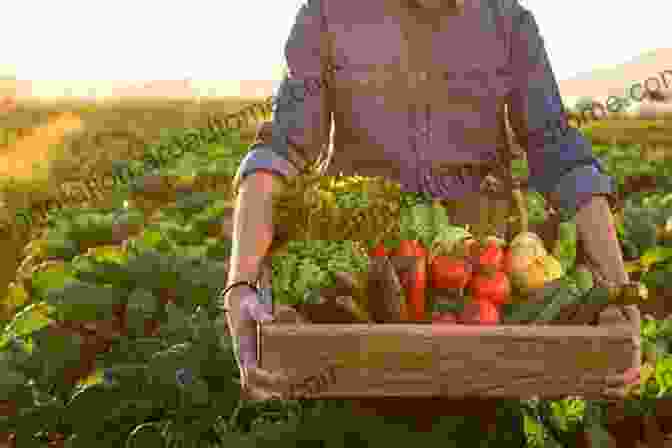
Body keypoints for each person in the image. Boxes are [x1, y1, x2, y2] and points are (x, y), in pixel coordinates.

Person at [221, 0, 641, 442]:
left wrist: (619, 292)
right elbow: (279, 152)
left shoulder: (507, 22)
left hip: (480, 310)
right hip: (356, 308)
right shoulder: (327, 14)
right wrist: (241, 284)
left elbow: (561, 157)